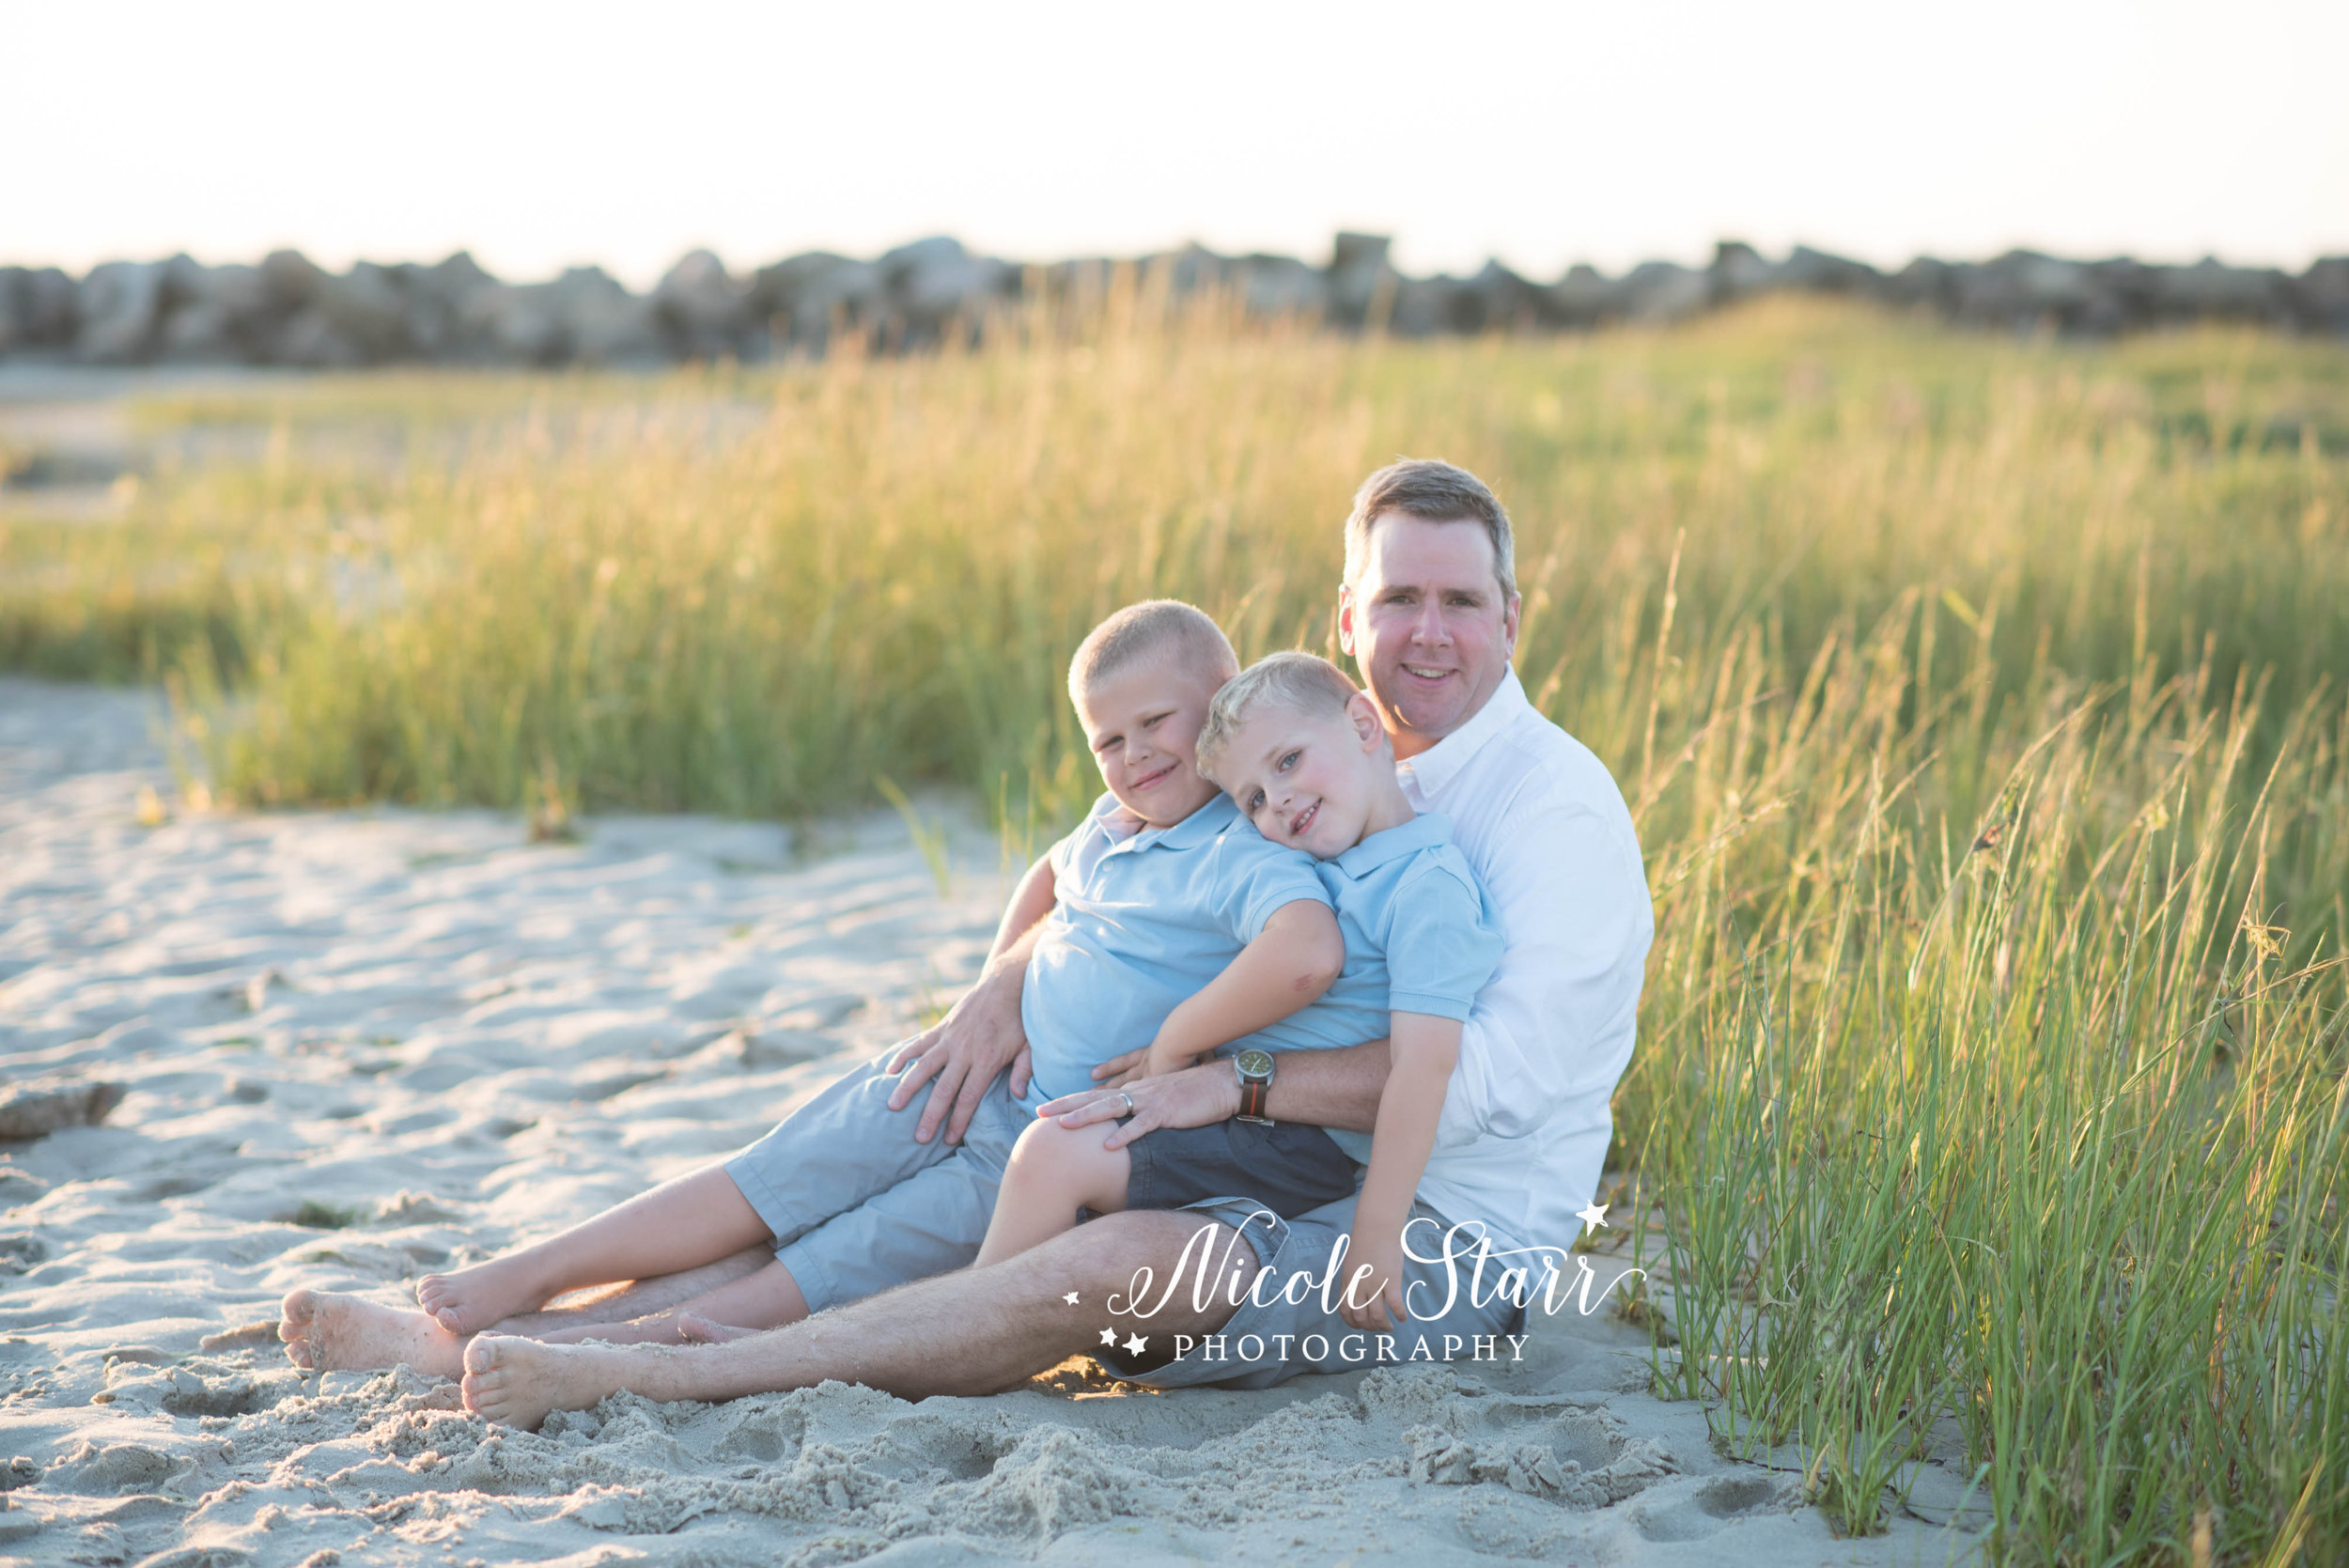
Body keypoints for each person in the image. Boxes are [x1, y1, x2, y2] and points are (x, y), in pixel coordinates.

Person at [453, 458, 1656, 1429]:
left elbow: (1485, 1088)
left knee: (1112, 1259)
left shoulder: (1550, 812)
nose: (1427, 631)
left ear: (1511, 615)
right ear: (1349, 621)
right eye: (1399, 598)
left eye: (1459, 600)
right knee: (940, 1137)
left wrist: (1221, 1079)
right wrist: (1009, 978)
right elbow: (1145, 878)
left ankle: (688, 1374)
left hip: (1438, 1246)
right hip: (1268, 1157)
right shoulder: (1311, 757)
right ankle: (550, 1331)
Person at [278, 598, 1347, 1376]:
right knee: (771, 1175)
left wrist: (1178, 1045)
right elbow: (1045, 875)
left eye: (1157, 725)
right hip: (966, 1079)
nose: (1130, 756)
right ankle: (533, 1272)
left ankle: (554, 1351)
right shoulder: (1117, 822)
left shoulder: (1246, 844)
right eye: (1106, 739)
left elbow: (1301, 953)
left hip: (1033, 1141)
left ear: (1222, 705)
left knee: (817, 1266)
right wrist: (995, 987)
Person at [972, 651, 1502, 1339]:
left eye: (1287, 761)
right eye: (1251, 797)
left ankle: (966, 1328)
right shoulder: (1326, 859)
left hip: (1297, 1142)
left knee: (1055, 1152)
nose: (1275, 799)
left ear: (1365, 724)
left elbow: (1423, 1068)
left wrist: (1378, 1229)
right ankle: (978, 1302)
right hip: (1229, 1109)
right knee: (1052, 1145)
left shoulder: (1426, 888)